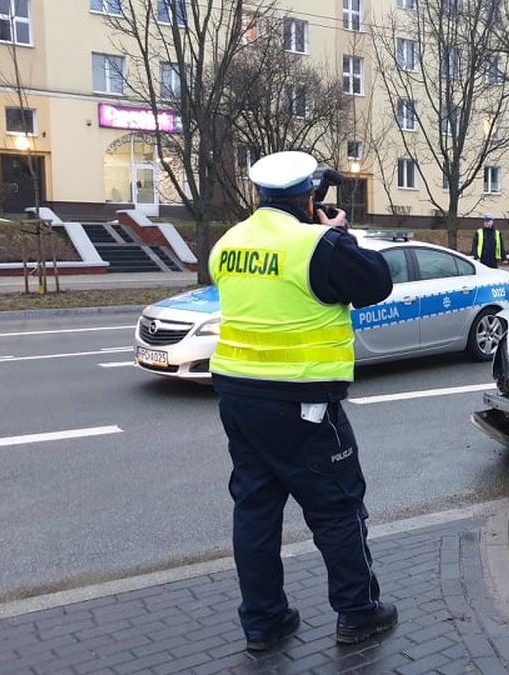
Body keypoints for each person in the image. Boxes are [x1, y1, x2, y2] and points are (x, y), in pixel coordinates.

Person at [209, 150, 397, 652]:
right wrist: (338, 234)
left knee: (255, 511)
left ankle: (264, 622)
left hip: (237, 396)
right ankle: (358, 613)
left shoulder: (227, 243)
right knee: (337, 509)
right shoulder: (318, 244)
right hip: (303, 403)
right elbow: (377, 283)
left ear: (260, 195)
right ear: (310, 196)